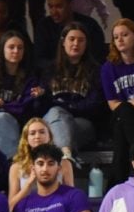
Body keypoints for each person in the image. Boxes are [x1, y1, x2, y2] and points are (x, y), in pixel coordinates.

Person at [40, 25, 104, 170]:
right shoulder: (49, 70)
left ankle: (60, 157)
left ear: (86, 44)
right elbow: (42, 104)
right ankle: (66, 156)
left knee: (58, 114)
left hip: (82, 125)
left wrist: (67, 108)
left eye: (81, 40)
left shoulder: (96, 70)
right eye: (72, 39)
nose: (76, 44)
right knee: (56, 114)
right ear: (63, 42)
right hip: (53, 121)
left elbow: (95, 105)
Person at [0, 30, 45, 160]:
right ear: (2, 49)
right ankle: (17, 162)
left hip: (19, 121)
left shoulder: (30, 76)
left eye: (20, 48)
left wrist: (4, 106)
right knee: (2, 118)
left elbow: (25, 105)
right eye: (11, 47)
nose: (16, 51)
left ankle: (11, 165)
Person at [101, 18, 134, 186]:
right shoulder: (108, 67)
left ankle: (116, 184)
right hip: (121, 115)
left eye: (124, 35)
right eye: (115, 37)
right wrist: (131, 103)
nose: (119, 40)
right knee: (125, 112)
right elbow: (112, 104)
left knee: (121, 138)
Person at [34, 0, 106, 72]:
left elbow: (99, 58)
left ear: (71, 4)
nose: (53, 12)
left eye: (59, 6)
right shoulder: (44, 26)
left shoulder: (90, 26)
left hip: (85, 76)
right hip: (54, 77)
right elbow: (40, 60)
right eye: (50, 6)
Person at [9, 119, 74, 208]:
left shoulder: (64, 163)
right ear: (26, 139)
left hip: (55, 210)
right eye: (32, 133)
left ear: (49, 137)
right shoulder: (16, 167)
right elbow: (11, 206)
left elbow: (72, 198)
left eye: (42, 132)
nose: (37, 136)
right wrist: (29, 184)